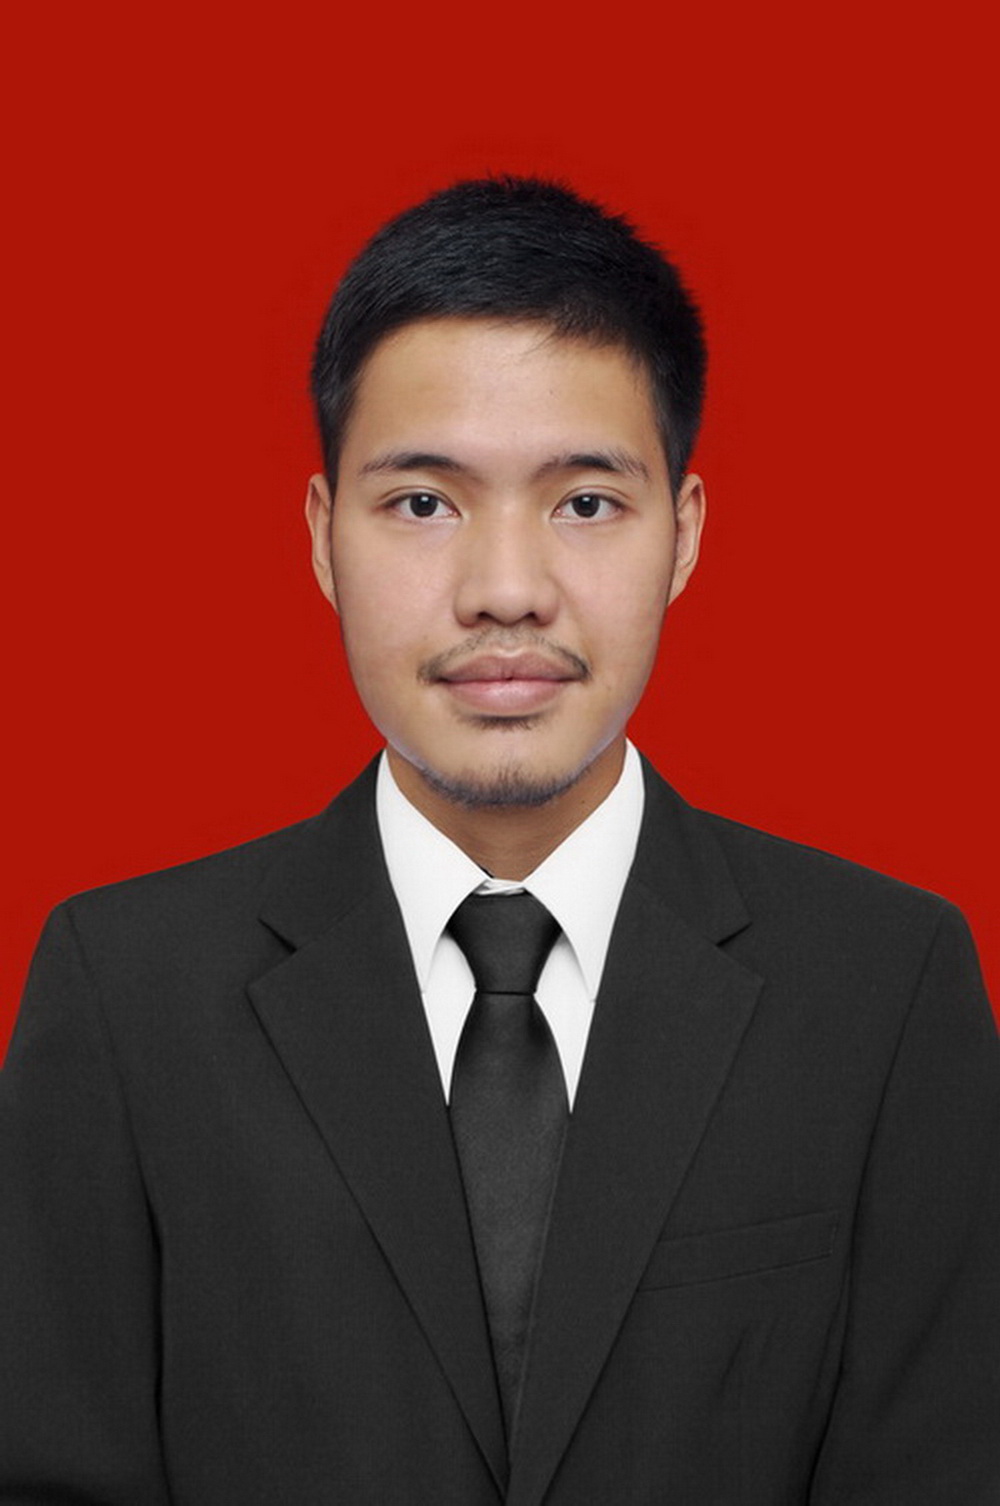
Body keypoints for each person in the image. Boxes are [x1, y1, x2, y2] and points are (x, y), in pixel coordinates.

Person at [1, 177, 997, 1506]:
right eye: (425, 503)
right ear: (323, 538)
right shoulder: (124, 991)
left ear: (685, 535)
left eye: (586, 503)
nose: (508, 590)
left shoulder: (888, 984)